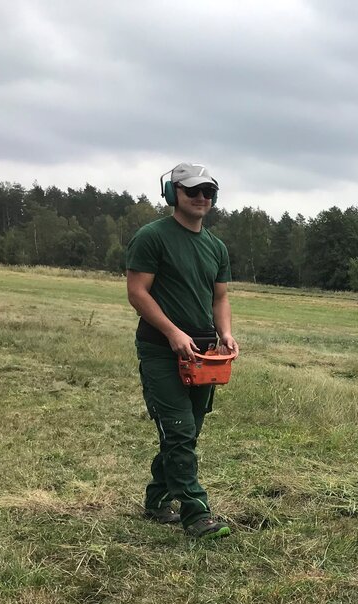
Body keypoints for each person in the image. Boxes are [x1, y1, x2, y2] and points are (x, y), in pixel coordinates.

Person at [125, 163, 238, 539]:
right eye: (192, 191)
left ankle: (158, 499)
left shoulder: (216, 247)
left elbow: (219, 297)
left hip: (204, 354)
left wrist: (225, 332)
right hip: (161, 349)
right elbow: (137, 292)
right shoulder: (152, 236)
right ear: (173, 193)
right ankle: (196, 513)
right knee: (178, 430)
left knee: (185, 434)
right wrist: (172, 331)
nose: (201, 197)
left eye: (207, 191)